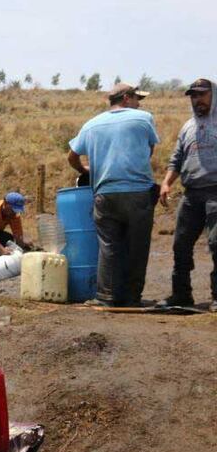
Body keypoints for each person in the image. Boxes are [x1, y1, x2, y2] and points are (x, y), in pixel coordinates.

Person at [68, 82, 159, 306]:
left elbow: (71, 156)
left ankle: (107, 297)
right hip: (138, 193)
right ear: (127, 98)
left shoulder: (91, 125)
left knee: (108, 247)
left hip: (105, 194)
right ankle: (132, 298)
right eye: (137, 98)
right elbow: (149, 150)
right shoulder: (143, 118)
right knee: (137, 246)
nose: (139, 103)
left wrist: (84, 171)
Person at [158, 79, 217, 312]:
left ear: (213, 95)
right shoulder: (187, 126)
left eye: (202, 95)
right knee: (180, 244)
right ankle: (181, 294)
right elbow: (177, 158)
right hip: (191, 194)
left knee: (216, 243)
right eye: (193, 96)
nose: (197, 100)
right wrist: (166, 183)